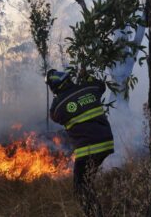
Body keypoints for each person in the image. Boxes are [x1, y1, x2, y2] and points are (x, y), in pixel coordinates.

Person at [45, 69, 114, 217]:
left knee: (80, 189)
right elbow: (101, 86)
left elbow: (54, 115)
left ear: (55, 87)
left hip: (88, 149)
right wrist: (86, 76)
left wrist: (58, 96)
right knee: (87, 183)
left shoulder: (60, 104)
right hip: (106, 143)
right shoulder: (89, 88)